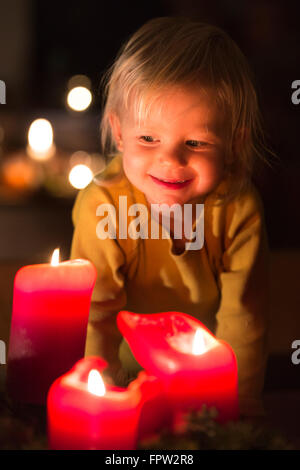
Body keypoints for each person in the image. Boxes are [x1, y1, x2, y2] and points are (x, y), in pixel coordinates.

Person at [70, 17, 271, 418]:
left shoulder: (238, 210)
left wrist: (238, 412)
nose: (170, 160)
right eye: (148, 138)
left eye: (195, 142)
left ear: (234, 143)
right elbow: (96, 314)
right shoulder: (101, 206)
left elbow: (243, 319)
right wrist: (99, 401)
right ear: (120, 132)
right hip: (125, 378)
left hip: (206, 390)